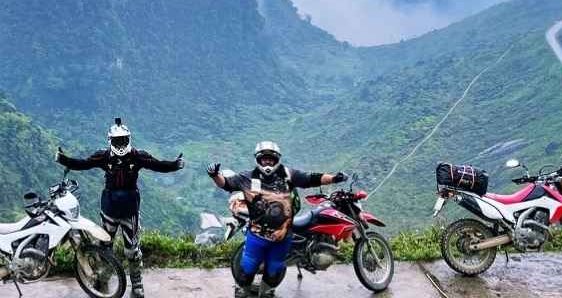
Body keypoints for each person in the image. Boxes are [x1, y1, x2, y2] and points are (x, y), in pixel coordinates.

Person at [57, 118, 184, 298]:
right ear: (110, 141)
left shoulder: (137, 155)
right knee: (104, 246)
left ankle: (137, 285)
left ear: (129, 139)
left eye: (123, 140)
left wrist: (174, 165)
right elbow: (83, 163)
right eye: (117, 140)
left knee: (132, 249)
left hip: (130, 210)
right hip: (109, 209)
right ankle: (103, 278)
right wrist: (64, 160)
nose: (121, 143)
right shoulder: (104, 156)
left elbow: (157, 164)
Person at [208, 141, 347, 298]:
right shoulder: (246, 177)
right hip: (256, 238)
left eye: (271, 158)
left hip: (283, 239)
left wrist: (335, 178)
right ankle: (242, 292)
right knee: (246, 271)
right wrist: (215, 175)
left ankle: (267, 292)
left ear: (276, 159)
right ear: (258, 159)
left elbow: (312, 178)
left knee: (274, 273)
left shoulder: (288, 174)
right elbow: (226, 184)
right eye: (264, 158)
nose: (267, 161)